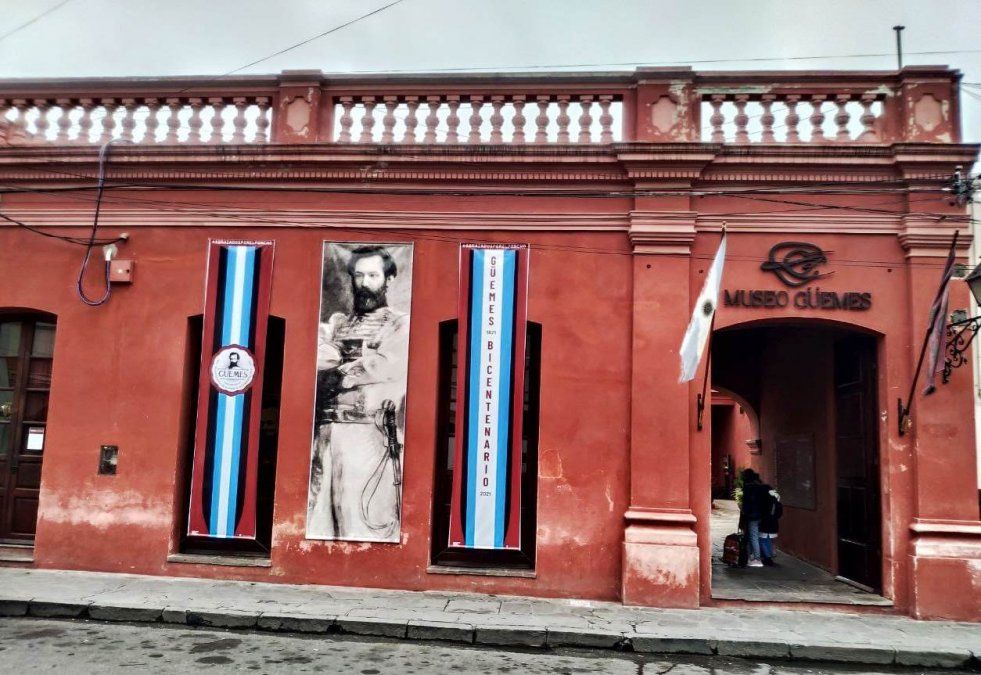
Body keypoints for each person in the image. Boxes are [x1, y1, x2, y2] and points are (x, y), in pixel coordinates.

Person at [307, 246, 409, 542]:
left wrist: (340, 364)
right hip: (326, 433)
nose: (364, 283)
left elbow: (386, 366)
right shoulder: (338, 324)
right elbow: (314, 353)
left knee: (362, 516)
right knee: (320, 519)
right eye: (359, 275)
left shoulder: (400, 324)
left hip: (368, 436)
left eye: (373, 275)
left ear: (388, 280)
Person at [738, 468, 768, 568]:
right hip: (760, 514)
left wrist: (743, 511)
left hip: (752, 515)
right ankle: (754, 556)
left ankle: (757, 558)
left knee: (753, 536)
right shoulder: (761, 486)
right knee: (756, 535)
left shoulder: (748, 487)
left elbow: (747, 502)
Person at [759, 486, 783, 566]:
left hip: (765, 524)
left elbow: (761, 513)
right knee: (768, 541)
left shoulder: (764, 501)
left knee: (763, 540)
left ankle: (767, 558)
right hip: (773, 524)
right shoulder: (777, 502)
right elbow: (779, 514)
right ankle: (769, 557)